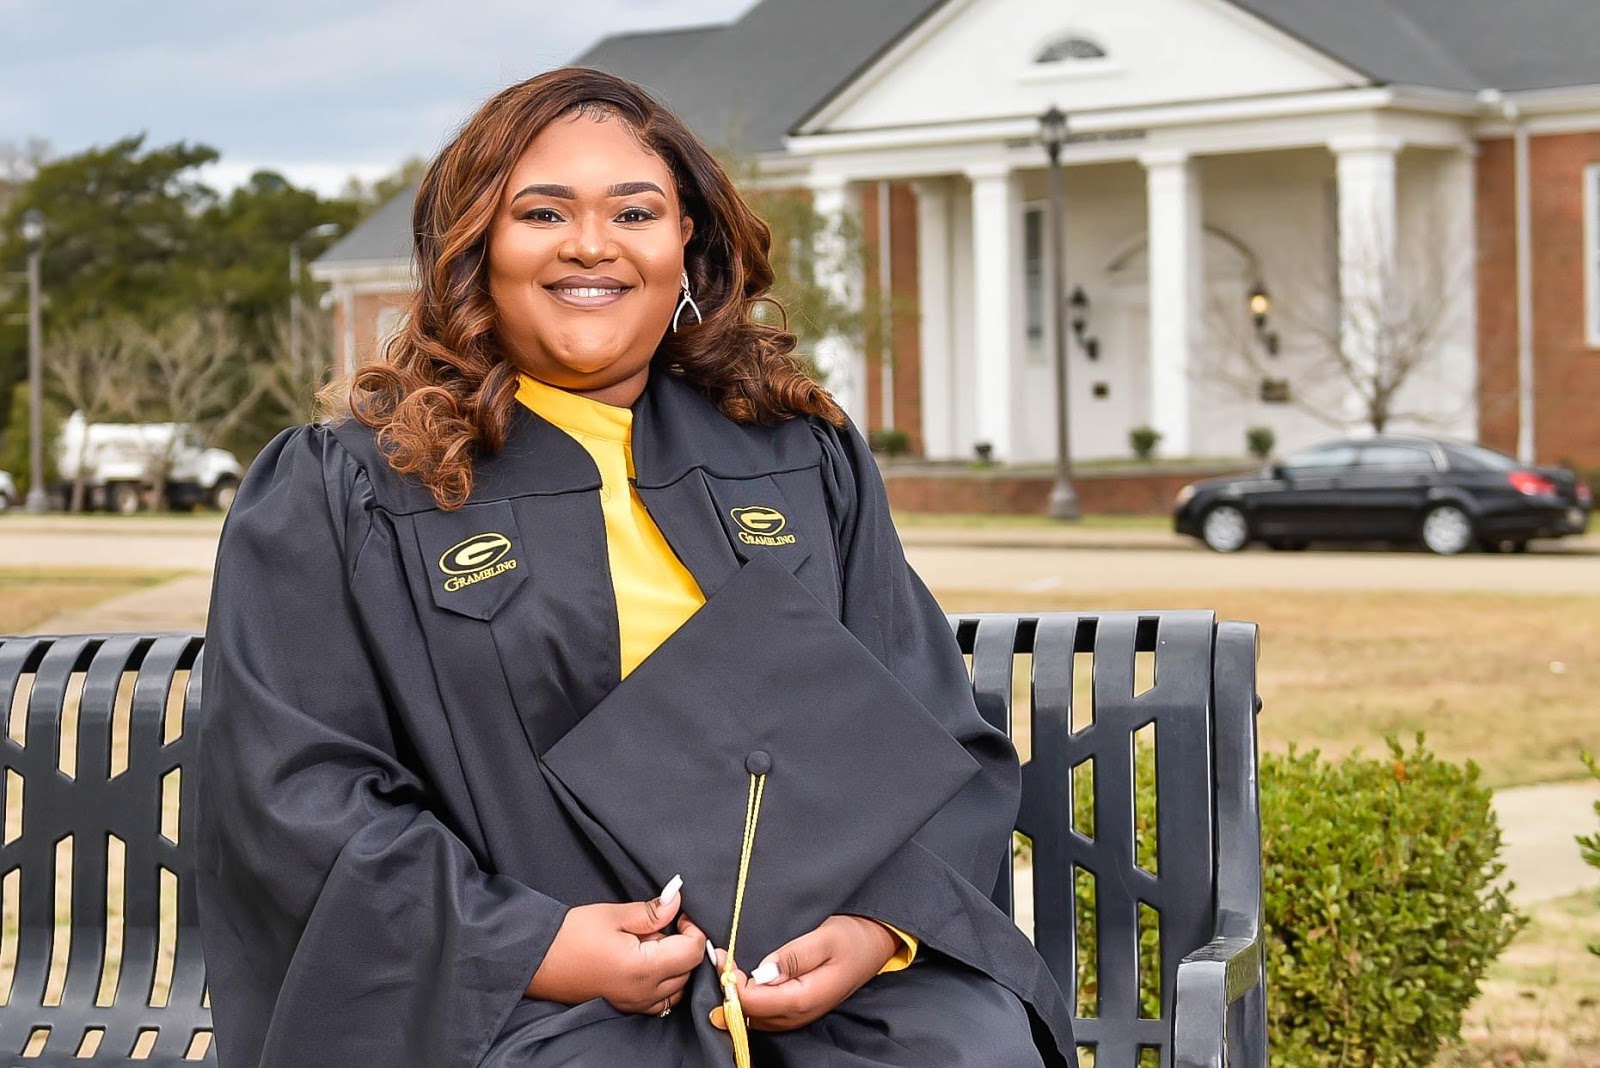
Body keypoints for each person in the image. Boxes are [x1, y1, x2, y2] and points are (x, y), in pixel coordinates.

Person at [195, 67, 1076, 1067]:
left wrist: (876, 930)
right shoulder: (349, 488)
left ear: (686, 243)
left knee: (965, 1050)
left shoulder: (795, 454)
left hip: (819, 982)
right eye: (541, 211)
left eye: (635, 210)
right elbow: (297, 788)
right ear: (474, 247)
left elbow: (923, 731)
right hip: (518, 1000)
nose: (591, 244)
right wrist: (534, 944)